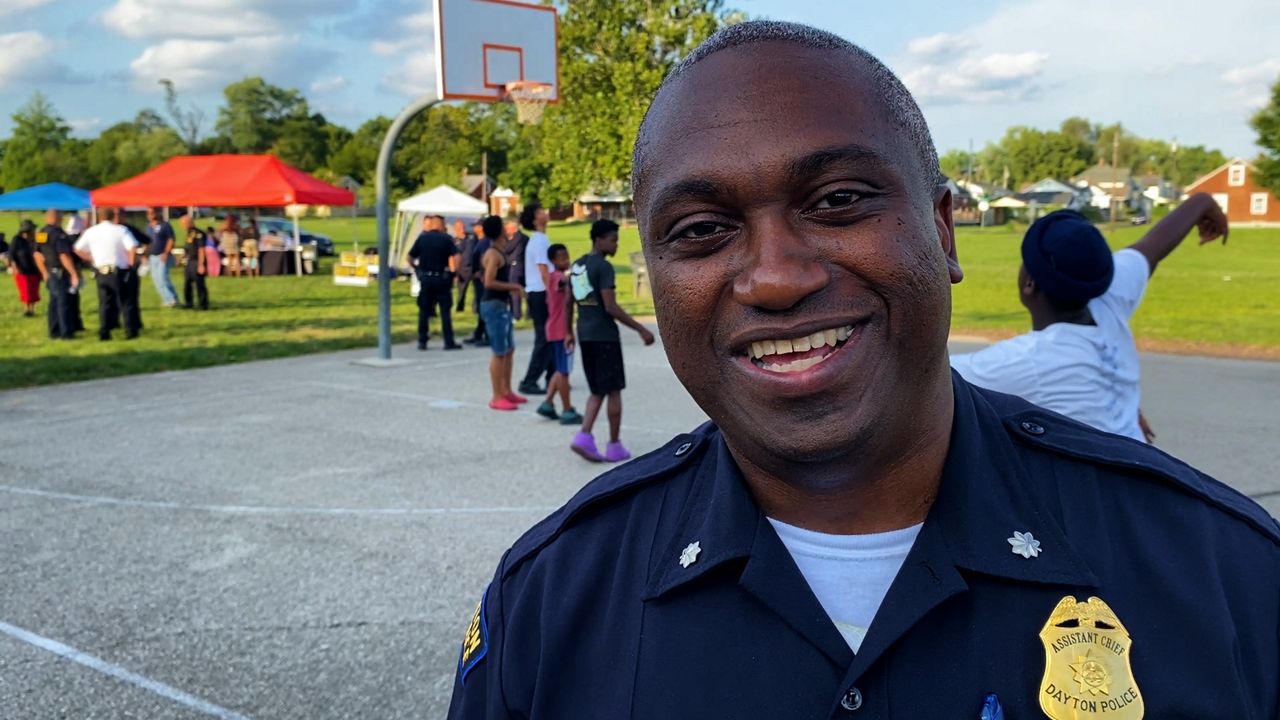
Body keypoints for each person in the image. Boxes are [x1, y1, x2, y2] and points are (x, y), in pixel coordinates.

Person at [446, 21, 1279, 719]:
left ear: (944, 232)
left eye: (839, 201)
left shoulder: (1225, 577)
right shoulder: (550, 605)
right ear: (654, 274)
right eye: (702, 229)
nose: (775, 277)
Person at [951, 199, 1229, 444]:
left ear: (1029, 284)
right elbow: (1152, 247)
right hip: (1142, 471)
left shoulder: (1030, 361)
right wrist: (1202, 202)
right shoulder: (1108, 297)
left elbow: (930, 378)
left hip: (1100, 498)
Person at [566, 219, 655, 462]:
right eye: (613, 240)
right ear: (599, 240)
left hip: (585, 333)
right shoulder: (603, 268)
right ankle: (614, 445)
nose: (616, 245)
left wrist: (568, 332)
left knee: (597, 390)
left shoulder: (578, 265)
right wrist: (641, 329)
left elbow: (568, 301)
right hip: (605, 336)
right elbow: (611, 306)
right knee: (614, 391)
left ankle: (584, 437)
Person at [477, 215, 526, 411]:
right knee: (499, 351)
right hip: (493, 304)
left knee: (509, 349)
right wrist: (513, 286)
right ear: (499, 231)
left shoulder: (499, 251)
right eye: (503, 226)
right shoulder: (493, 254)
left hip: (500, 304)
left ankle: (506, 390)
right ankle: (497, 396)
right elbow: (488, 281)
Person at [535, 244, 582, 425]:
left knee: (558, 370)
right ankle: (567, 409)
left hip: (555, 330)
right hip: (560, 331)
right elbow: (563, 282)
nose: (566, 260)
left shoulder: (557, 277)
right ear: (553, 261)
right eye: (562, 257)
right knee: (564, 372)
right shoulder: (556, 278)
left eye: (567, 256)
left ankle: (548, 402)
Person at [74, 208, 139, 341]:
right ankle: (130, 330)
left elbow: (77, 248)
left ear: (99, 217)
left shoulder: (91, 232)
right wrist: (131, 264)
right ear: (113, 216)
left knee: (104, 303)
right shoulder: (120, 230)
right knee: (125, 302)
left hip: (101, 272)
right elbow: (132, 247)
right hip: (118, 271)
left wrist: (91, 258)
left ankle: (104, 331)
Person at [518, 202, 557, 395]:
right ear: (534, 219)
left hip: (540, 291)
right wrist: (552, 294)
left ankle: (553, 376)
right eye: (541, 212)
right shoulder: (539, 240)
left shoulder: (541, 239)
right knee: (544, 337)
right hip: (540, 292)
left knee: (550, 337)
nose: (545, 213)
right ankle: (529, 380)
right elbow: (544, 270)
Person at [408, 215, 462, 351]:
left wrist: (418, 270)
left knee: (424, 311)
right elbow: (458, 256)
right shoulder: (447, 239)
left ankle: (422, 341)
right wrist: (454, 272)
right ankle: (448, 341)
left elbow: (409, 257)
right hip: (442, 278)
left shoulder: (422, 238)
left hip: (426, 278)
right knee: (445, 311)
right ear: (440, 225)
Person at [34, 209, 80, 339]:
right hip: (60, 272)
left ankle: (53, 331)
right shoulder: (58, 234)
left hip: (50, 271)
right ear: (58, 218)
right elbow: (64, 255)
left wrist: (44, 272)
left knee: (54, 303)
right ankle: (66, 332)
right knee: (63, 302)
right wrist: (73, 273)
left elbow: (37, 254)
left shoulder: (42, 233)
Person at [145, 207, 179, 307]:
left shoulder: (165, 225)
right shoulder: (149, 227)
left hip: (162, 255)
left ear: (157, 213)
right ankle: (168, 299)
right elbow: (148, 242)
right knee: (156, 279)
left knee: (163, 277)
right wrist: (145, 254)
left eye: (152, 213)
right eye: (148, 213)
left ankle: (171, 299)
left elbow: (171, 239)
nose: (150, 215)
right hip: (152, 256)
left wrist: (166, 252)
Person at [463, 225, 491, 346]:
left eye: (477, 226)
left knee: (483, 307)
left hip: (482, 279)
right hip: (477, 279)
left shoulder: (485, 242)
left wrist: (482, 272)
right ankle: (479, 333)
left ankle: (487, 335)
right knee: (480, 307)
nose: (474, 228)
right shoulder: (478, 241)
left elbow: (484, 259)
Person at [8, 220, 41, 316]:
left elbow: (44, 244)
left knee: (34, 290)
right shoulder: (16, 239)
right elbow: (12, 254)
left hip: (35, 269)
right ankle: (26, 309)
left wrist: (40, 234)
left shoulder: (36, 238)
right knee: (25, 290)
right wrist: (14, 266)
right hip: (22, 269)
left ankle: (32, 309)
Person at [181, 214, 210, 310]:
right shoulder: (189, 233)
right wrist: (182, 258)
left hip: (197, 261)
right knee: (187, 283)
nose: (182, 226)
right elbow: (187, 248)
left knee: (199, 283)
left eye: (184, 223)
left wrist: (201, 264)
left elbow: (201, 249)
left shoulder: (199, 234)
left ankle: (203, 304)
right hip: (189, 261)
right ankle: (188, 303)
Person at [453, 219, 479, 313]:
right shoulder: (454, 241)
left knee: (477, 289)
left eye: (463, 227)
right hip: (463, 269)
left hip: (474, 267)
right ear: (455, 229)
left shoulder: (471, 237)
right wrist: (455, 271)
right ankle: (460, 307)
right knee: (462, 290)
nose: (462, 229)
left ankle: (476, 308)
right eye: (459, 227)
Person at [504, 219, 528, 320]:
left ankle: (516, 314)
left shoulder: (517, 238)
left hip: (515, 267)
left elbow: (507, 249)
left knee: (515, 291)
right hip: (524, 267)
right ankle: (529, 313)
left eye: (507, 228)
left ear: (513, 228)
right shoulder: (526, 238)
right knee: (526, 291)